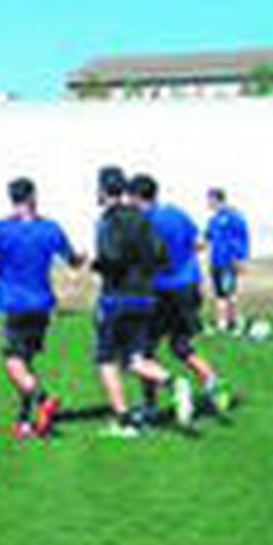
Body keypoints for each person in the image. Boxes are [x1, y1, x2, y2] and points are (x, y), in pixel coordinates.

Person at [0, 178, 84, 440]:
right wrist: (82, 257)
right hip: (42, 303)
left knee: (13, 361)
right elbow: (73, 261)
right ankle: (24, 421)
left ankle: (42, 399)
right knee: (26, 363)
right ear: (34, 196)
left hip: (14, 303)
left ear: (11, 198)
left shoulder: (0, 229)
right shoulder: (50, 228)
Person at [133, 174, 232, 420]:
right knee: (180, 345)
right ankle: (213, 383)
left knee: (144, 352)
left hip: (161, 291)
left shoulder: (142, 223)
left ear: (136, 197)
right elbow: (199, 242)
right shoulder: (176, 213)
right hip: (188, 286)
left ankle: (151, 406)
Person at [92, 166, 177, 436]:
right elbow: (162, 256)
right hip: (145, 298)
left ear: (103, 191)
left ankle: (123, 420)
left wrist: (98, 265)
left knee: (106, 360)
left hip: (116, 298)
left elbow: (112, 257)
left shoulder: (108, 220)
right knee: (135, 358)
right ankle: (173, 383)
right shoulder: (142, 219)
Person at [204, 187, 251, 334]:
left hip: (229, 262)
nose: (208, 203)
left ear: (217, 199)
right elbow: (207, 238)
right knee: (219, 294)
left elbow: (244, 239)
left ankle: (235, 323)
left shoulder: (234, 217)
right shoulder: (213, 220)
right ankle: (222, 324)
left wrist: (241, 259)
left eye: (210, 199)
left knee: (229, 293)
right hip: (215, 262)